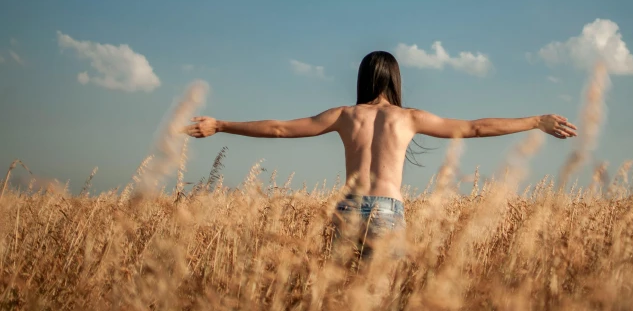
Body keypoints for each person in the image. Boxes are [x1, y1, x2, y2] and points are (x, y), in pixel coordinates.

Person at [184, 50, 577, 258]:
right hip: (389, 211)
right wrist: (534, 121)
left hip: (348, 209)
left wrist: (220, 124)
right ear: (396, 80)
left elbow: (279, 129)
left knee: (341, 296)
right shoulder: (409, 118)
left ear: (363, 79)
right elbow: (475, 127)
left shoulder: (343, 115)